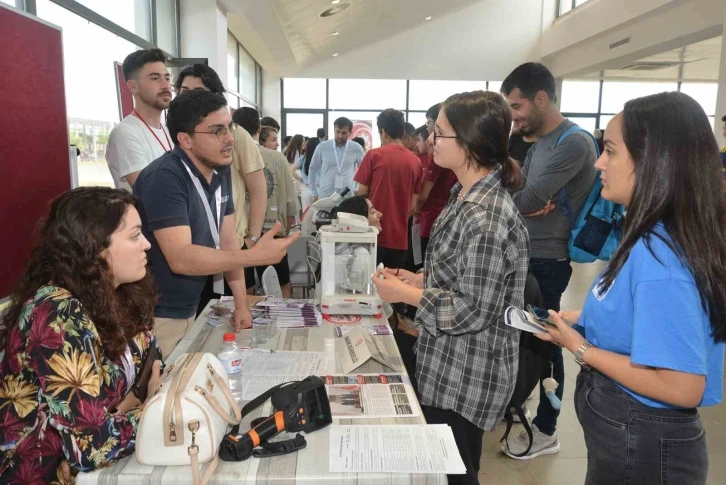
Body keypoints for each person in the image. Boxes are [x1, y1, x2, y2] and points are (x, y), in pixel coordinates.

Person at [538, 91, 726, 485]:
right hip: (628, 437)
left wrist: (581, 348)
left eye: (610, 151)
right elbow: (647, 317)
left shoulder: (662, 258)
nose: (598, 163)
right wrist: (583, 320)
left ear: (652, 161)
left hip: (643, 446)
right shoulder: (650, 236)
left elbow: (682, 385)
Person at [372, 91, 529, 485]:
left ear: (470, 143)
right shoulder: (464, 193)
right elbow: (465, 271)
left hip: (468, 371)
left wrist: (406, 295)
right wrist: (419, 279)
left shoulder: (485, 216)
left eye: (438, 133)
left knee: (455, 470)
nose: (429, 141)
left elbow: (473, 309)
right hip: (448, 360)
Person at [0, 187, 163, 483]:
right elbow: (94, 447)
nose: (147, 244)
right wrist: (162, 412)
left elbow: (152, 368)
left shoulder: (121, 293)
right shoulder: (56, 315)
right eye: (135, 235)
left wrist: (134, 406)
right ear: (96, 247)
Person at [133, 91, 297, 357]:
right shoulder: (165, 178)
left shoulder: (219, 171)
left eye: (229, 128)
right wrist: (254, 256)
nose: (230, 138)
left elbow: (229, 241)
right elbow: (181, 258)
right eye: (217, 131)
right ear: (185, 139)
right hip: (157, 314)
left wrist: (241, 305)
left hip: (191, 305)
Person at [500, 62, 598, 459]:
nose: (513, 116)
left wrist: (520, 201)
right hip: (525, 252)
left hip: (548, 260)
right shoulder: (539, 141)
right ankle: (523, 406)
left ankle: (547, 428)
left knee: (548, 341)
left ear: (541, 98)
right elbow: (520, 194)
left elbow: (524, 198)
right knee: (525, 337)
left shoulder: (573, 143)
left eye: (517, 106)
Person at [170, 64, 267, 316]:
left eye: (198, 91)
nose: (189, 97)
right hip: (192, 246)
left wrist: (252, 240)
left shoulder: (236, 138)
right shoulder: (181, 147)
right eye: (184, 91)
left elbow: (258, 189)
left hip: (230, 241)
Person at [233, 107, 299, 297]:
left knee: (244, 285)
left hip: (238, 232)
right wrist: (285, 231)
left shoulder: (228, 156)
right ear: (259, 128)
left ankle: (247, 318)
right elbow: (290, 200)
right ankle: (283, 319)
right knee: (280, 283)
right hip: (273, 229)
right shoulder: (277, 158)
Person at [355, 109, 422, 270]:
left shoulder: (373, 155)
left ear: (383, 132)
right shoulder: (416, 162)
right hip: (400, 239)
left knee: (369, 286)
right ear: (403, 131)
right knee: (394, 288)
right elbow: (413, 207)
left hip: (372, 234)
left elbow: (360, 195)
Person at [106, 49, 172, 191]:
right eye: (155, 78)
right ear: (133, 86)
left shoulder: (168, 131)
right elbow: (150, 192)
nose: (166, 85)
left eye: (167, 78)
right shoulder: (126, 133)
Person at [412, 123, 457, 263]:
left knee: (424, 264)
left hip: (431, 218)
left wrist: (416, 211)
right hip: (446, 216)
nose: (428, 129)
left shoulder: (436, 157)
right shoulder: (454, 155)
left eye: (430, 123)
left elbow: (424, 194)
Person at [308, 117, 365, 202]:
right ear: (334, 130)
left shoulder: (356, 148)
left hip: (348, 197)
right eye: (337, 132)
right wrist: (314, 192)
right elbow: (312, 170)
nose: (340, 136)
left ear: (350, 132)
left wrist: (358, 189)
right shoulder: (322, 147)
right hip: (325, 195)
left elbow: (363, 172)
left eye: (344, 133)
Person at [292, 136, 320, 213]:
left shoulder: (303, 158)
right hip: (319, 189)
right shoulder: (321, 158)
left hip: (306, 189)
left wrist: (302, 180)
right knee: (319, 215)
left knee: (306, 215)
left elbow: (290, 170)